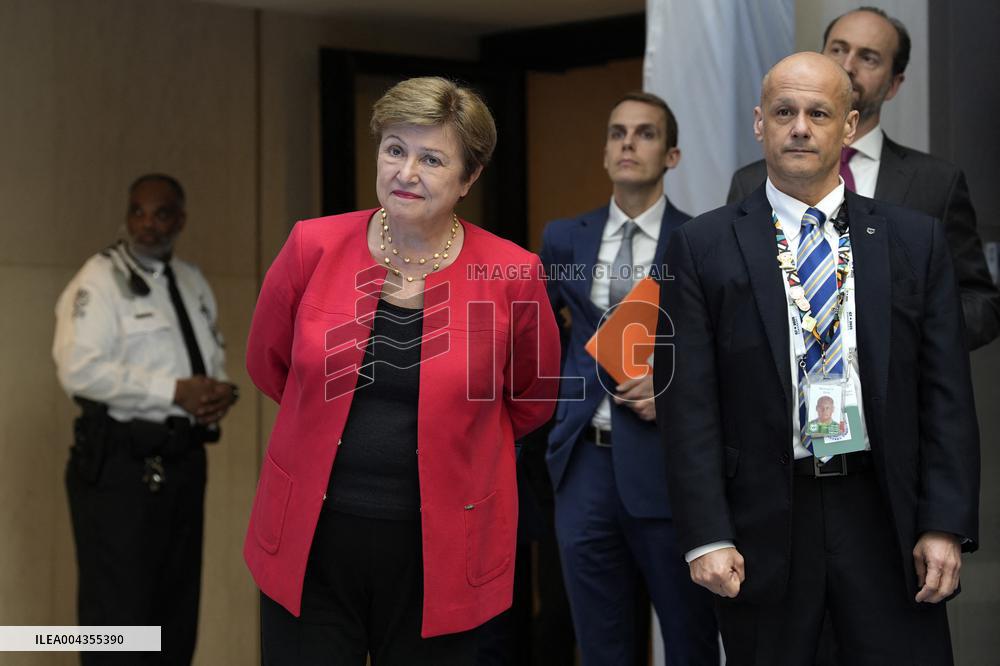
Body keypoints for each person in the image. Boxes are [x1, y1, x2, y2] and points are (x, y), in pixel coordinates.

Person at [656, 51, 980, 665]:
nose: (800, 126)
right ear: (760, 123)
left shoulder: (915, 240)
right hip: (763, 523)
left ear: (849, 126)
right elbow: (687, 403)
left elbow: (946, 397)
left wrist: (945, 523)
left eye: (818, 112)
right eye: (784, 112)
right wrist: (706, 536)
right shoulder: (701, 246)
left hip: (886, 518)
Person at [244, 76, 561, 666]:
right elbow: (270, 363)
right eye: (395, 149)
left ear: (469, 178)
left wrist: (461, 439)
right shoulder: (312, 245)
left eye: (431, 159)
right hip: (311, 542)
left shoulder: (512, 274)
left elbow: (531, 398)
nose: (405, 172)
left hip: (441, 551)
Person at [539, 91, 718, 666]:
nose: (627, 144)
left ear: (672, 156)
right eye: (617, 133)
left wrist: (674, 390)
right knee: (599, 645)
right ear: (604, 151)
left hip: (669, 466)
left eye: (644, 133)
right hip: (584, 466)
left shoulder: (701, 241)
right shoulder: (564, 238)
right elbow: (535, 338)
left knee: (689, 640)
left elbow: (725, 354)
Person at [727, 6, 1000, 351]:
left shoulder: (936, 184)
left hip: (897, 394)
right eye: (838, 49)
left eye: (868, 58)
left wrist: (902, 336)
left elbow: (981, 305)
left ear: (894, 84)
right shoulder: (750, 181)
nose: (847, 65)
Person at [53, 174, 238, 665]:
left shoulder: (192, 281)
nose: (147, 225)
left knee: (174, 618)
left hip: (182, 463)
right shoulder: (99, 279)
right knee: (119, 623)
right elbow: (78, 369)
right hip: (119, 466)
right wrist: (173, 392)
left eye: (160, 214)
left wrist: (215, 393)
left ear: (180, 219)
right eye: (138, 211)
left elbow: (208, 358)